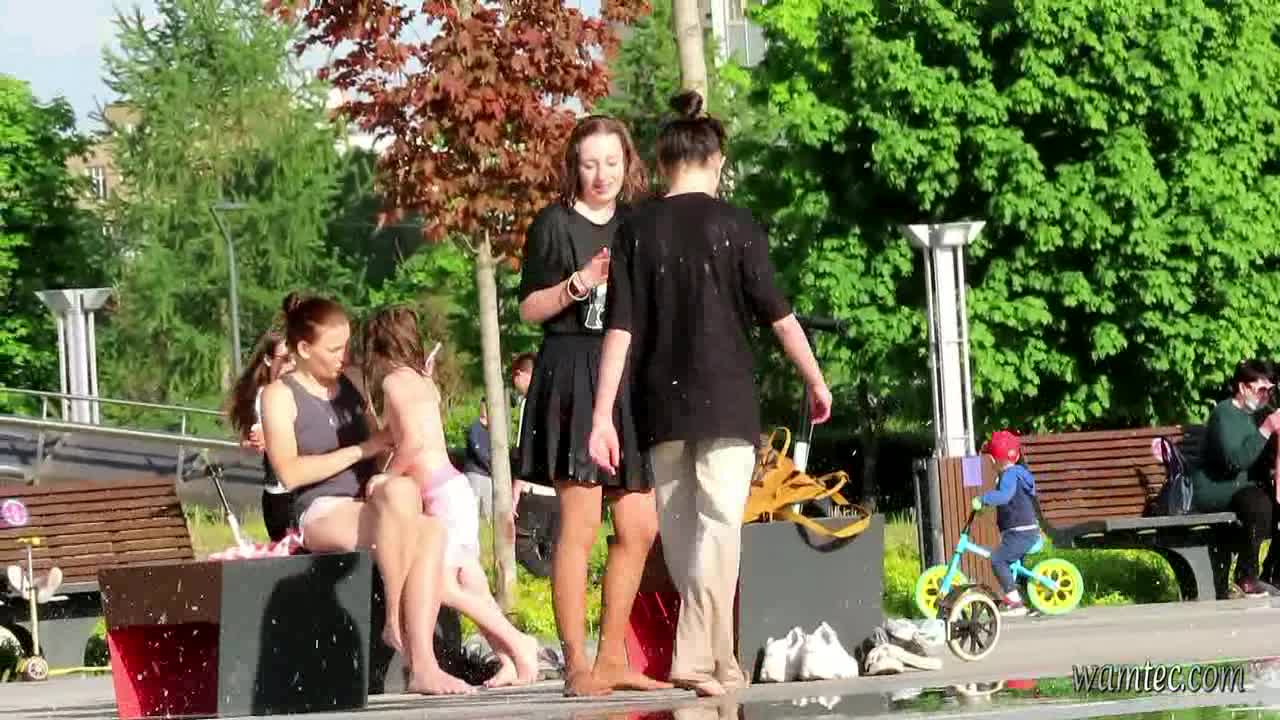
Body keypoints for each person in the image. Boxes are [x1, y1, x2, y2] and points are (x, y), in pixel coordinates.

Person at [587, 90, 831, 697]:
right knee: (718, 529)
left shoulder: (635, 229)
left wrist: (602, 415)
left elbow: (619, 328)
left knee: (685, 538)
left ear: (662, 162)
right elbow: (779, 316)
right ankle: (697, 658)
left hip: (659, 405)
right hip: (725, 399)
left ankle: (719, 660)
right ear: (717, 160)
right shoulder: (736, 225)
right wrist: (814, 377)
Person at [516, 114, 665, 697]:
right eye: (589, 164)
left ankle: (611, 657)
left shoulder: (638, 221)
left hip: (627, 377)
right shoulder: (554, 223)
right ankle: (575, 661)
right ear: (573, 168)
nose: (601, 175)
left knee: (640, 525)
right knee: (579, 525)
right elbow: (529, 308)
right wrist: (577, 284)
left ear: (628, 163)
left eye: (611, 162)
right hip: (572, 370)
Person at [260, 293, 472, 695]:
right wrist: (363, 449)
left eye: (347, 345)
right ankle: (396, 625)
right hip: (319, 509)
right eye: (333, 349)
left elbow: (383, 443)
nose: (344, 356)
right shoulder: (279, 396)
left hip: (369, 505)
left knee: (429, 527)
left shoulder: (352, 384)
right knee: (406, 507)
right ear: (303, 349)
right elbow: (289, 472)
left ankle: (422, 665)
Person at [363, 306, 541, 688]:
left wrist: (385, 477)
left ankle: (517, 643)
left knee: (442, 584)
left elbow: (413, 442)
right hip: (452, 488)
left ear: (378, 346)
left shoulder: (393, 382)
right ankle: (509, 658)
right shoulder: (423, 381)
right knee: (470, 580)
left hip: (440, 494)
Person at [1188, 359, 1280, 598]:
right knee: (1259, 506)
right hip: (1218, 489)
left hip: (1245, 488)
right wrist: (1266, 429)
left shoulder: (1260, 414)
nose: (1266, 396)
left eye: (1269, 390)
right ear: (1242, 387)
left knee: (1271, 503)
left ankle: (1272, 576)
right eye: (1261, 389)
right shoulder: (1224, 414)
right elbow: (1235, 461)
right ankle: (1246, 577)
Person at [227, 329, 295, 541]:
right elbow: (255, 441)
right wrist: (257, 440)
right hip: (281, 495)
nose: (292, 364)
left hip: (300, 491)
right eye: (285, 359)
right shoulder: (264, 396)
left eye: (296, 358)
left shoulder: (303, 391)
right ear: (268, 359)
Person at [971, 430, 1040, 616]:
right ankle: (1025, 600)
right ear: (1016, 456)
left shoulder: (1009, 475)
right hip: (1022, 531)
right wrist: (985, 507)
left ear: (994, 459)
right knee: (1016, 568)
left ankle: (1015, 603)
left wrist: (983, 499)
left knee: (998, 560)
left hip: (1020, 533)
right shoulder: (1018, 473)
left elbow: (1004, 496)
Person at [463, 402, 494, 518]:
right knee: (472, 509)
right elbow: (477, 451)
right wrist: (489, 464)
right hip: (475, 472)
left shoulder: (492, 431)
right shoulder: (474, 428)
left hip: (488, 475)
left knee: (487, 512)